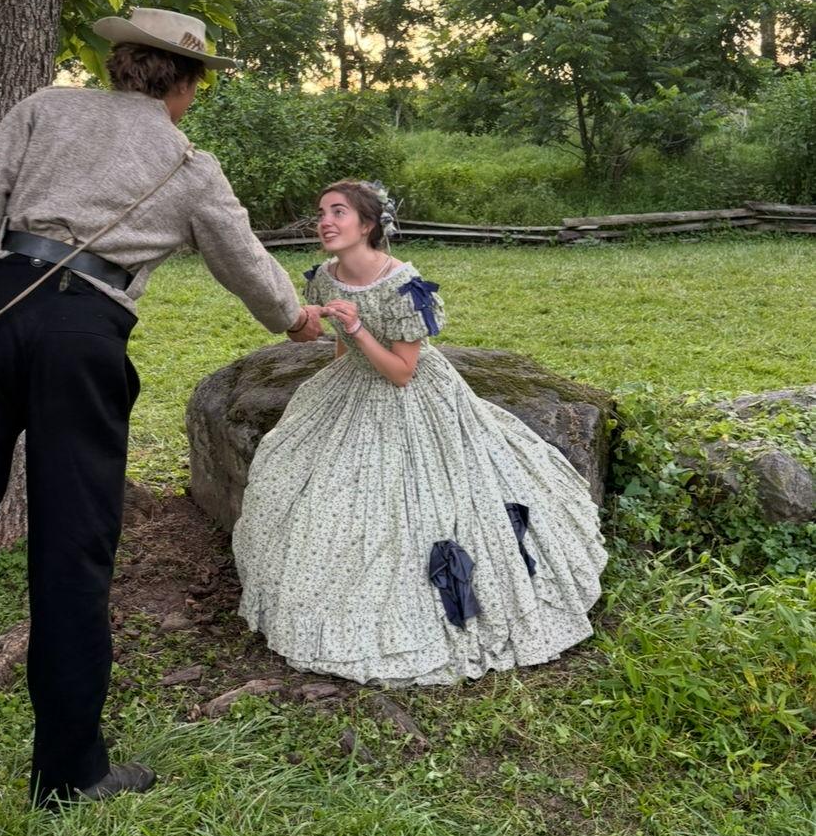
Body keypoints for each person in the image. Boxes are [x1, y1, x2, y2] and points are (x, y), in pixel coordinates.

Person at [0, 8, 322, 836]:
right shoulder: (188, 164)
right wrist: (295, 319)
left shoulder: (43, 108)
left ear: (118, 64)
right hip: (85, 337)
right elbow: (244, 260)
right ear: (186, 85)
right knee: (73, 557)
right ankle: (68, 772)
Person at [233, 180, 606, 686]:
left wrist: (358, 329)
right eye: (321, 213)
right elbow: (343, 348)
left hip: (410, 394)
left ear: (367, 225)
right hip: (355, 383)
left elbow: (403, 373)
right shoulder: (324, 277)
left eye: (338, 212)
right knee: (317, 489)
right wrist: (341, 366)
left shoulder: (404, 285)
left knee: (423, 502)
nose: (325, 222)